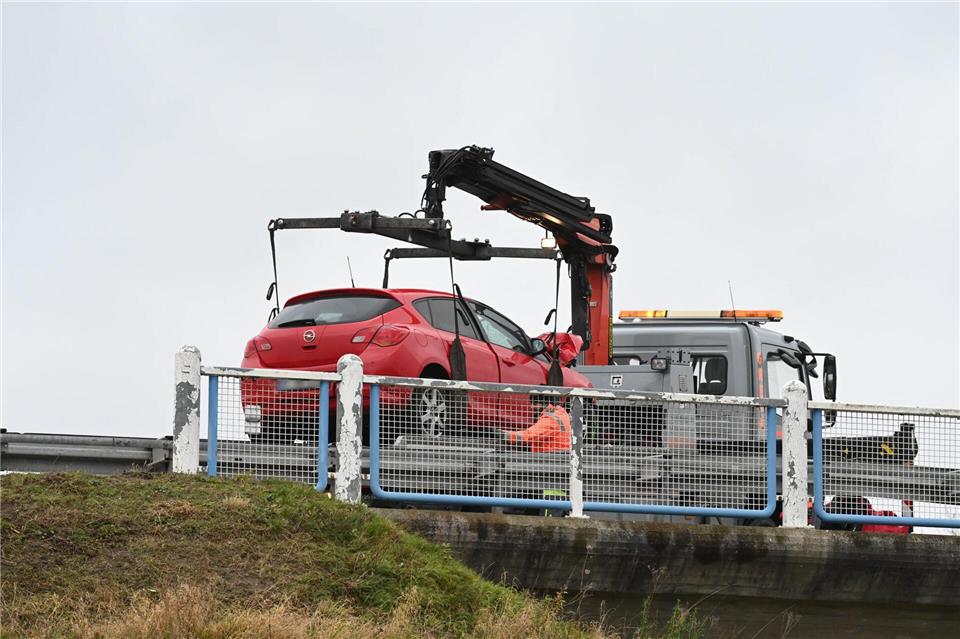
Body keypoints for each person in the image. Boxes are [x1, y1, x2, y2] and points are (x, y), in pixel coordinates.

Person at [501, 403, 571, 452]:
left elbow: (529, 435)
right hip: (557, 455)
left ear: (544, 403)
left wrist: (504, 435)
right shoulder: (559, 414)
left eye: (535, 403)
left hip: (551, 458)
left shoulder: (550, 419)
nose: (531, 407)